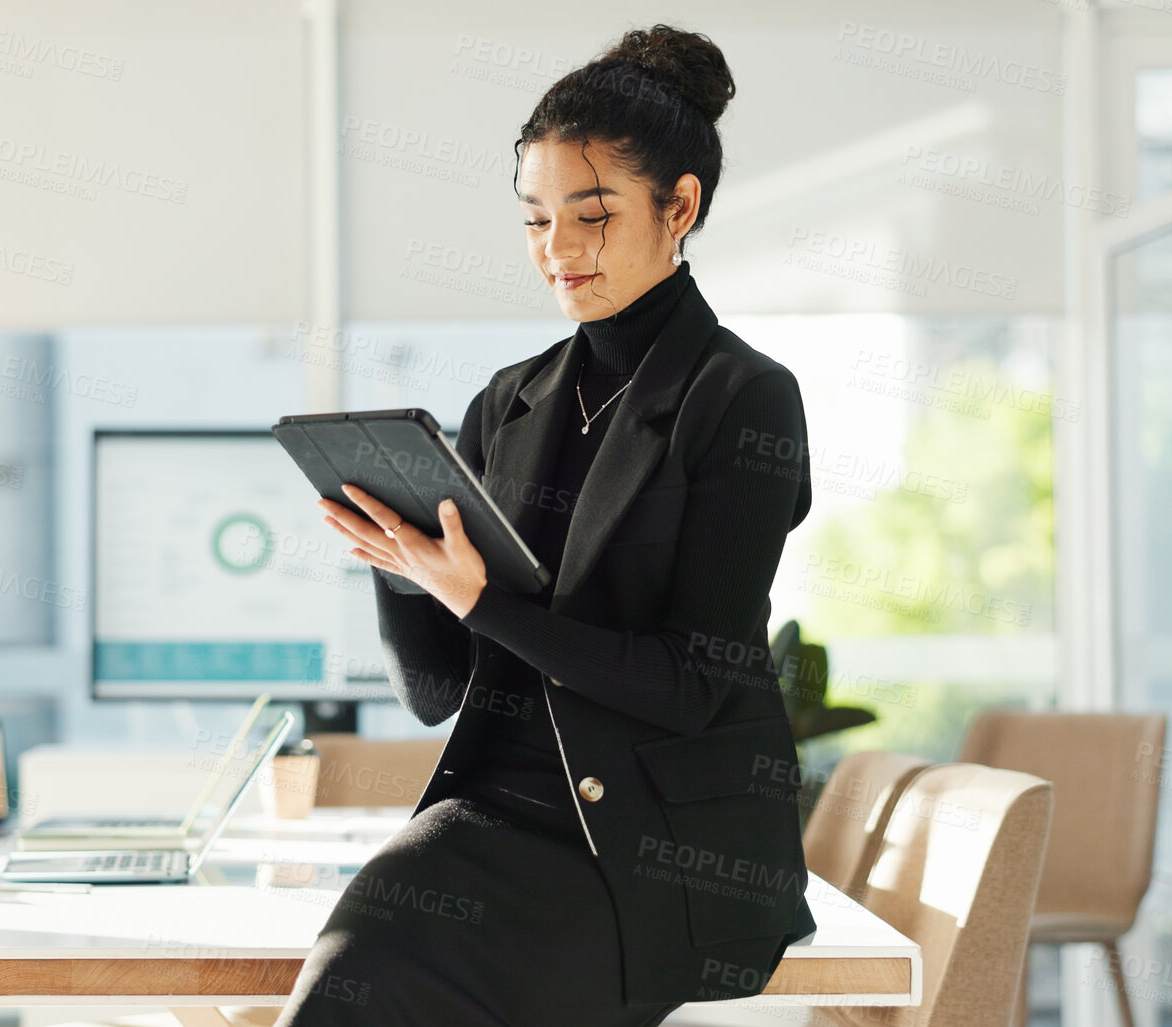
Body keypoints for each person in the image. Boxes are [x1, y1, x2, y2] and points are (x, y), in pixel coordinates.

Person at [276, 22, 816, 1027]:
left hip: (659, 849)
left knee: (380, 981)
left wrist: (483, 599)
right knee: (352, 969)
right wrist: (399, 565)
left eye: (592, 214)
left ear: (680, 206)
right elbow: (438, 692)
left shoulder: (744, 398)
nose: (557, 250)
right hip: (489, 818)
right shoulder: (506, 403)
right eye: (534, 220)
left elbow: (690, 684)